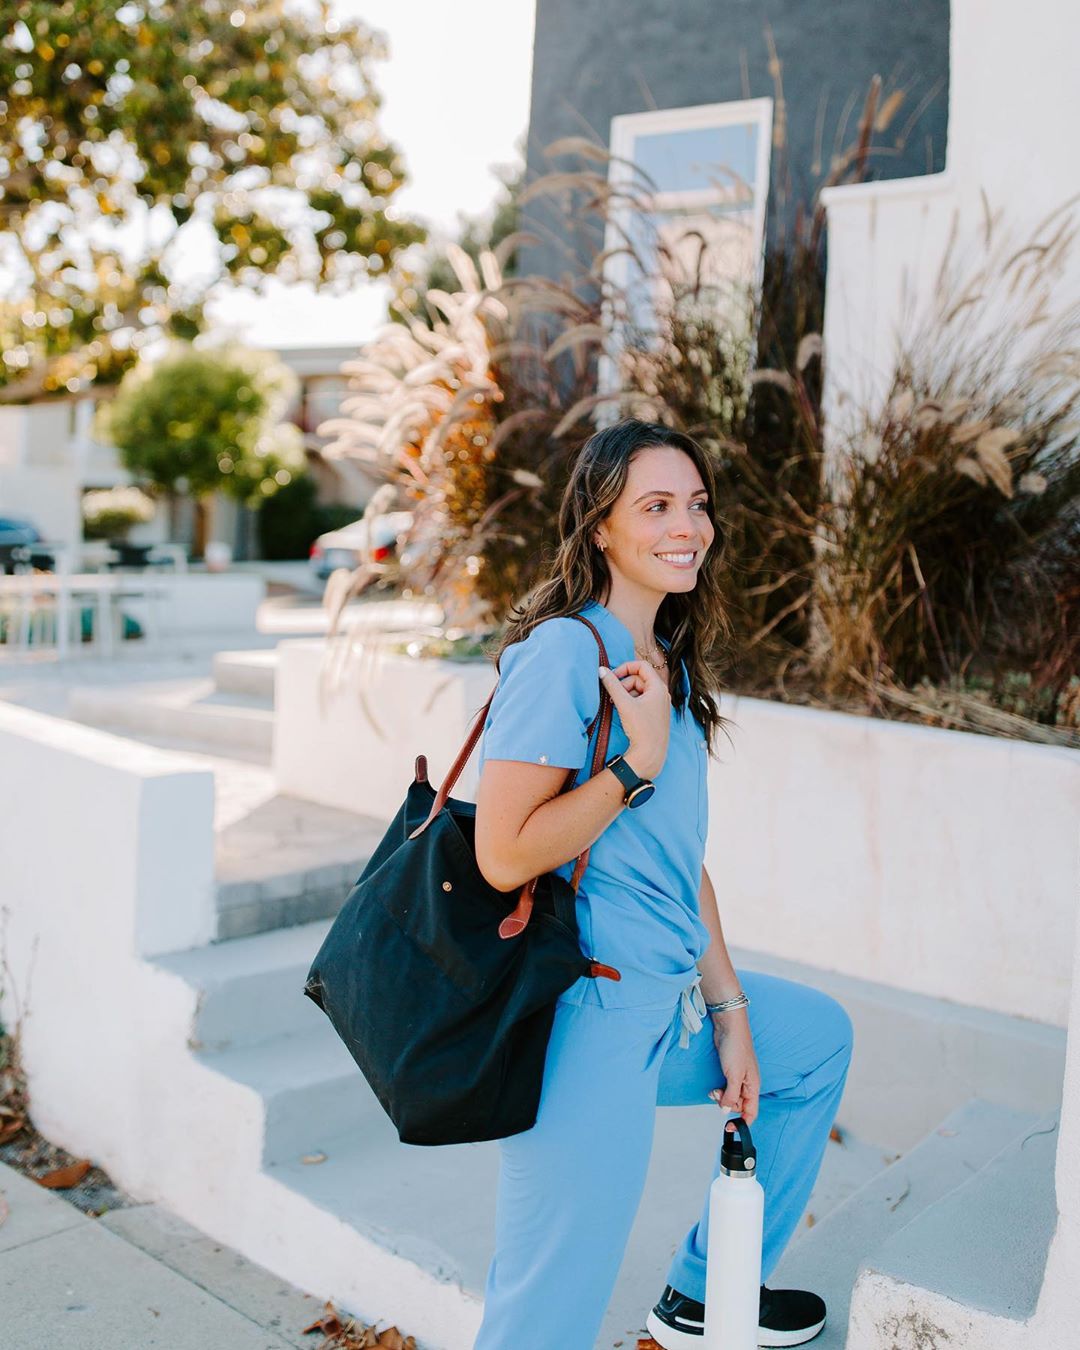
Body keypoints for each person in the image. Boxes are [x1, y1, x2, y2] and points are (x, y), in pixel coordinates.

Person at [471, 418, 854, 1349]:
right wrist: (634, 763)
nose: (688, 525)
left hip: (666, 1002)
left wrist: (730, 1014)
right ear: (599, 526)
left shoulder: (669, 663)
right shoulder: (566, 654)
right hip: (587, 1011)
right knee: (546, 1311)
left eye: (697, 505)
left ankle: (702, 1294)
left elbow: (682, 859)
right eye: (656, 506)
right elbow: (502, 854)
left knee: (810, 1044)